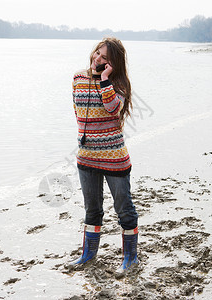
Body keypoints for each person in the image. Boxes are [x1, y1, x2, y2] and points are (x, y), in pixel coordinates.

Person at [70, 37, 139, 273]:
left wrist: (104, 79)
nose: (97, 59)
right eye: (97, 54)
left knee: (124, 209)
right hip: (86, 156)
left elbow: (112, 108)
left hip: (114, 157)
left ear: (113, 64)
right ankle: (88, 255)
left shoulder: (119, 83)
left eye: (105, 58)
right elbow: (78, 112)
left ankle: (130, 258)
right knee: (92, 210)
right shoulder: (78, 78)